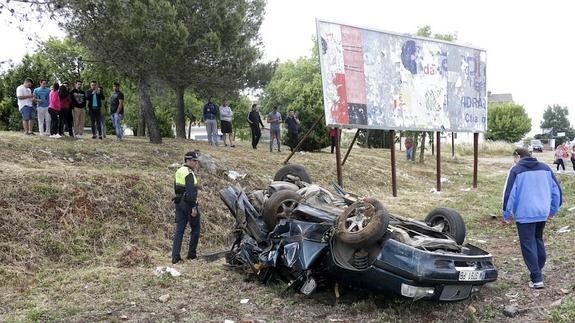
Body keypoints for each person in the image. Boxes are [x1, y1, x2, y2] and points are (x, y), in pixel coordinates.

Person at [502, 148, 562, 289]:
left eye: (514, 158)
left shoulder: (516, 170)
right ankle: (538, 269)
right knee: (538, 239)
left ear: (518, 156)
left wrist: (506, 214)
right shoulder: (545, 168)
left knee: (528, 244)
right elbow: (556, 191)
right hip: (542, 212)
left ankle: (536, 278)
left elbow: (509, 193)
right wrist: (553, 210)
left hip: (524, 213)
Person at [172, 150, 201, 264]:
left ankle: (175, 256)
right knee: (196, 229)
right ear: (188, 160)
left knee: (179, 230)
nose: (196, 163)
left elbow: (176, 188)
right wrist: (194, 207)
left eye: (196, 161)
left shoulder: (179, 171)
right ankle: (191, 254)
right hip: (188, 203)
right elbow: (190, 193)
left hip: (179, 202)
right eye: (194, 161)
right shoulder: (189, 173)